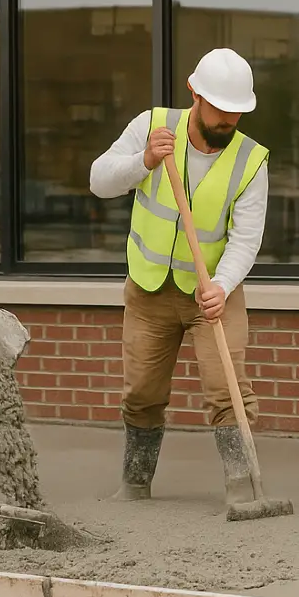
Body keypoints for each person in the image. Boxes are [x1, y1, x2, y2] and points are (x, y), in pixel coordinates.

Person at [88, 47, 271, 506]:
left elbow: (245, 239)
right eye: (220, 112)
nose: (228, 122)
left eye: (236, 114)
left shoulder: (251, 160)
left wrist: (222, 286)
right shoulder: (151, 127)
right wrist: (144, 161)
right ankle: (134, 484)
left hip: (212, 294)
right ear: (195, 95)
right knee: (142, 393)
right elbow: (99, 181)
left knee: (228, 390)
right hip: (148, 290)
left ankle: (244, 490)